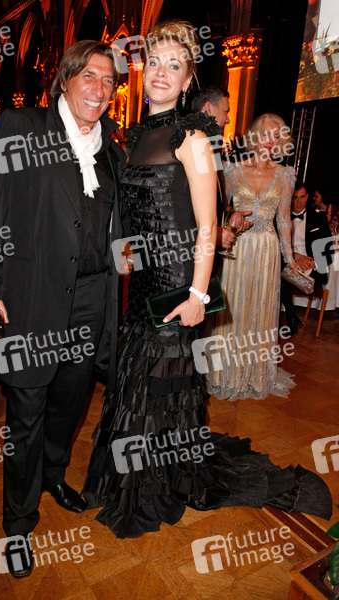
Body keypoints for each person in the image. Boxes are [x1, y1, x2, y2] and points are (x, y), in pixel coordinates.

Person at [82, 23, 332, 539]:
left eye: (174, 65)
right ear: (142, 70)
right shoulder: (133, 135)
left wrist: (199, 293)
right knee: (137, 380)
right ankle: (136, 473)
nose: (162, 73)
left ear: (188, 78)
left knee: (161, 383)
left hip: (178, 282)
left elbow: (206, 224)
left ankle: (153, 484)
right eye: (155, 62)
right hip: (143, 282)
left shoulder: (192, 137)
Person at [0, 40, 125, 577]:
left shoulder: (111, 153)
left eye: (109, 81)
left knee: (68, 404)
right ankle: (18, 523)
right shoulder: (22, 128)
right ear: (65, 78)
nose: (99, 89)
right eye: (90, 76)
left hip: (90, 300)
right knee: (26, 415)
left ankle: (54, 474)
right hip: (31, 300)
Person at [205, 113, 301, 401]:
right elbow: (218, 211)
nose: (270, 141)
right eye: (265, 134)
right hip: (238, 248)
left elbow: (284, 219)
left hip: (267, 251)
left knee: (260, 309)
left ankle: (255, 374)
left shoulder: (285, 175)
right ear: (254, 136)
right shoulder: (233, 170)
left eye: (276, 136)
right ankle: (224, 373)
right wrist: (229, 221)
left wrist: (289, 258)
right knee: (233, 309)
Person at [191, 86, 252, 259]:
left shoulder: (211, 145)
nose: (228, 119)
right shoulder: (191, 144)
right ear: (208, 108)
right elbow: (181, 205)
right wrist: (214, 233)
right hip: (191, 253)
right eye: (226, 111)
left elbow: (211, 198)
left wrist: (228, 217)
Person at [281, 182, 332, 334]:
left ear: (307, 197)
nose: (298, 201)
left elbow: (328, 251)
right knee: (283, 273)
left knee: (284, 276)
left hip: (311, 269)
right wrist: (293, 257)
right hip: (288, 263)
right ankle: (290, 317)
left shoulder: (319, 219)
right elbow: (276, 248)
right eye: (295, 197)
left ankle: (289, 317)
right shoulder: (281, 218)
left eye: (302, 197)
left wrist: (312, 263)